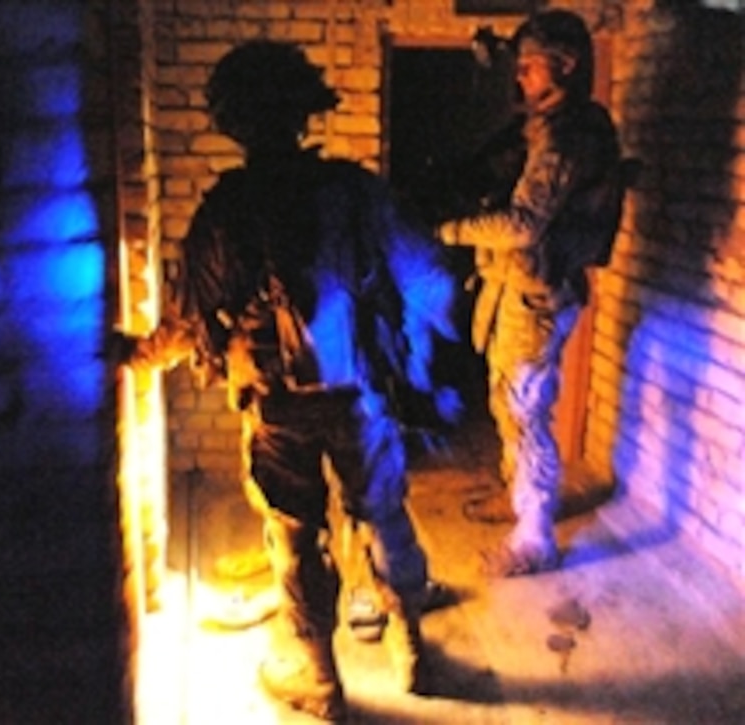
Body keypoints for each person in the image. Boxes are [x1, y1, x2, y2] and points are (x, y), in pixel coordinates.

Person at [119, 40, 460, 720]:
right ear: (305, 114)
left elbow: (191, 323)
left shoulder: (225, 209)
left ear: (233, 121)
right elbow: (434, 278)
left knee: (296, 534)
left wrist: (134, 355)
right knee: (384, 512)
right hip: (360, 391)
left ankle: (320, 678)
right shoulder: (357, 192)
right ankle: (412, 645)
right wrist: (425, 369)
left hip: (276, 402)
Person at [434, 10, 628, 577]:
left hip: (538, 293)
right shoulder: (549, 128)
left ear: (563, 67)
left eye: (529, 68)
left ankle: (535, 536)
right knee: (507, 402)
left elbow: (522, 225)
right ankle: (519, 496)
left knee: (526, 410)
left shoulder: (569, 137)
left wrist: (451, 230)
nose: (519, 78)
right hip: (518, 286)